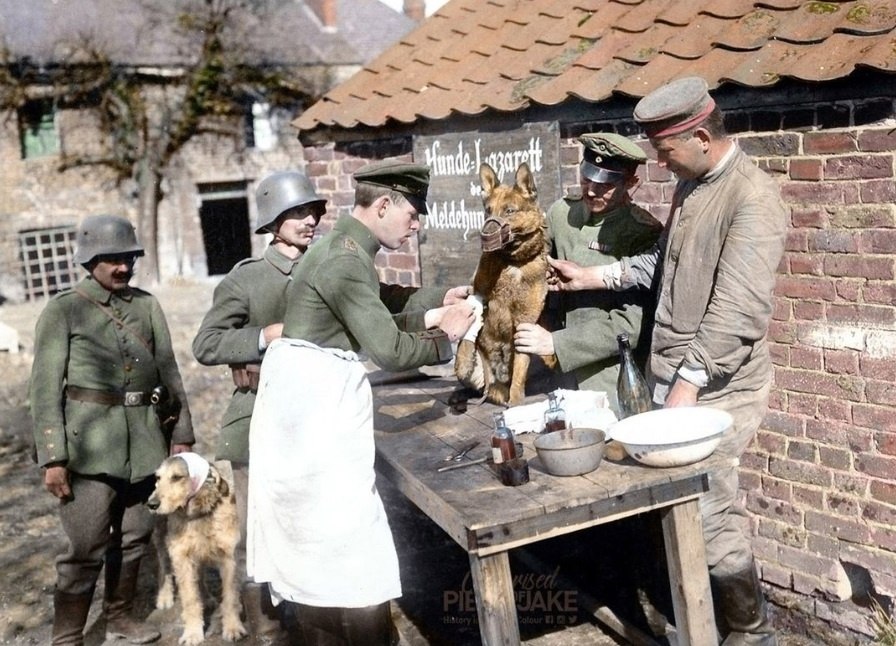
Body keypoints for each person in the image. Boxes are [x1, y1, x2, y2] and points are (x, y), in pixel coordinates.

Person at [550, 76, 787, 644]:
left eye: (664, 151)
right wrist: (591, 276)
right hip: (681, 381)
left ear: (701, 136)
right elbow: (660, 265)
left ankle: (752, 631)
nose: (659, 164)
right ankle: (691, 621)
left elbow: (738, 310)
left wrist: (686, 385)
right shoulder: (694, 185)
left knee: (707, 511)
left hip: (718, 387)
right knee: (679, 511)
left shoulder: (753, 201)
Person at [246, 159, 475, 646]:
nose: (417, 225)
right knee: (348, 544)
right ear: (385, 204)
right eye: (413, 213)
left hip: (306, 402)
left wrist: (436, 298)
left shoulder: (342, 247)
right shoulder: (345, 258)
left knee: (322, 547)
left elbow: (378, 302)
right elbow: (388, 348)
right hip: (313, 411)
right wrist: (447, 339)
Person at [30, 214, 195, 646]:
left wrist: (182, 436)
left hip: (144, 442)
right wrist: (53, 457)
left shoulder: (147, 306)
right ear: (89, 261)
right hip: (88, 448)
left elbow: (170, 374)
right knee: (85, 546)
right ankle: (67, 636)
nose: (123, 267)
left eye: (128, 258)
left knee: (136, 536)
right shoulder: (64, 310)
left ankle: (120, 617)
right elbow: (45, 389)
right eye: (111, 260)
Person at [191, 171, 326, 643]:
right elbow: (205, 343)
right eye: (297, 213)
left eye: (314, 212)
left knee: (312, 522)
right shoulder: (247, 278)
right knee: (255, 529)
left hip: (316, 418)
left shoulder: (327, 266)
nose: (309, 220)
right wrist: (261, 338)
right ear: (273, 221)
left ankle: (314, 619)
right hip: (257, 418)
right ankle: (267, 629)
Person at [513, 132, 662, 414]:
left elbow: (631, 326)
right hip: (554, 377)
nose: (591, 191)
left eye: (605, 185)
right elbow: (532, 267)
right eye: (586, 179)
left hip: (607, 384)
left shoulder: (642, 233)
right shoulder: (561, 213)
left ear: (632, 183)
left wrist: (556, 343)